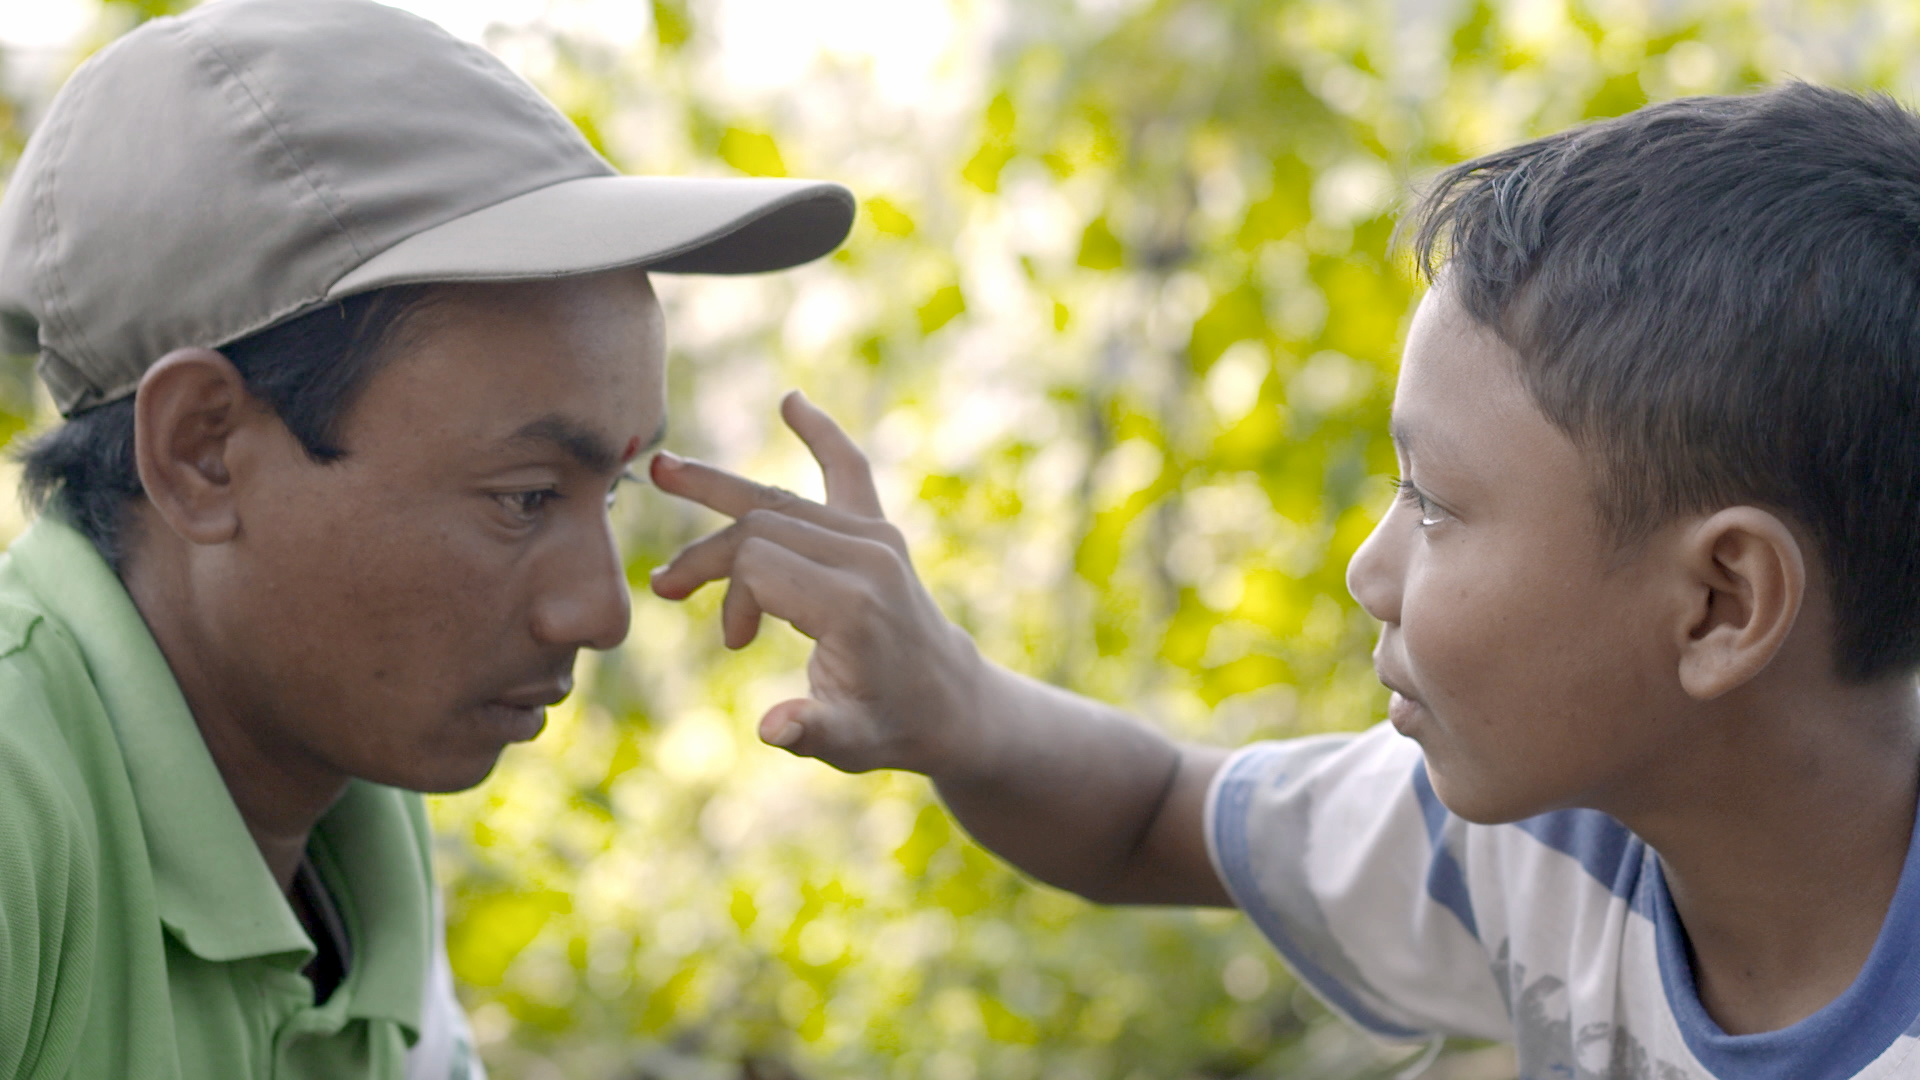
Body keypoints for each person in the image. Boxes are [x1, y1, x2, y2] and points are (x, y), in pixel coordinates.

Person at [648, 82, 1920, 1078]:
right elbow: (1153, 815)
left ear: (1719, 605)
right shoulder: (1564, 835)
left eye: (1434, 502)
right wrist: (949, 701)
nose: (1372, 570)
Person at [0, 2, 852, 1077]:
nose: (598, 612)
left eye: (615, 488)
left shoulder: (346, 822)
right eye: (526, 496)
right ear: (202, 452)